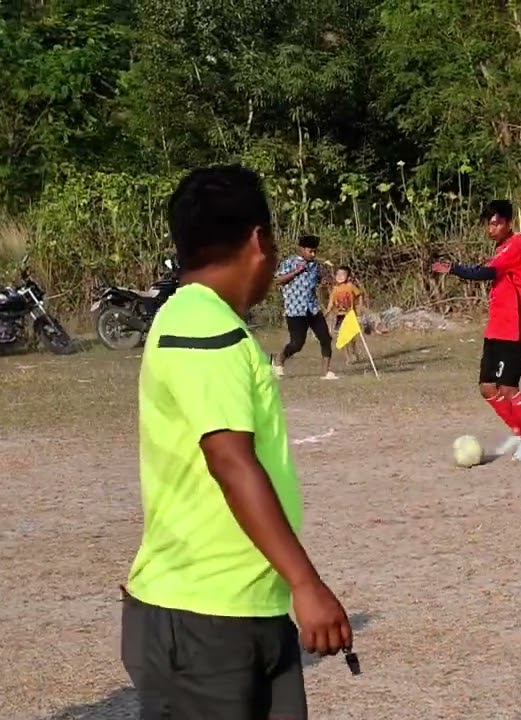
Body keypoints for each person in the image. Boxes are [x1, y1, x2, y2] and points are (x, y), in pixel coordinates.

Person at [123, 165, 352, 719]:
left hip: (239, 609)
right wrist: (306, 582)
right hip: (205, 620)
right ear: (259, 240)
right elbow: (229, 460)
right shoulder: (204, 327)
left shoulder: (197, 318)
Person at [431, 200, 521, 461]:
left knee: (508, 388)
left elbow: (487, 273)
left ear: (508, 223)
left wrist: (454, 268)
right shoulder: (502, 248)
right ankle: (517, 430)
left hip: (515, 330)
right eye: (488, 224)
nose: (491, 229)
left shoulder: (516, 244)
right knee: (487, 388)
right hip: (496, 330)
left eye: (496, 223)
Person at [272, 234, 336, 379]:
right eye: (310, 251)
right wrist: (296, 271)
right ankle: (279, 360)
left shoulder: (316, 265)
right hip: (295, 310)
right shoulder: (289, 262)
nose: (313, 254)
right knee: (297, 344)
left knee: (325, 338)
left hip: (312, 308)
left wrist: (326, 281)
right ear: (301, 249)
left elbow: (324, 279)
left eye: (315, 251)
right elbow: (277, 281)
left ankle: (326, 372)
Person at [326, 265, 365, 365]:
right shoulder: (334, 289)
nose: (339, 276)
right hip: (340, 316)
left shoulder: (350, 286)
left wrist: (360, 307)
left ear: (348, 277)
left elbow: (359, 294)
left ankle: (354, 351)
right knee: (342, 338)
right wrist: (326, 313)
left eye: (342, 274)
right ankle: (348, 357)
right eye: (337, 274)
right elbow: (330, 303)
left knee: (351, 337)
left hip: (350, 315)